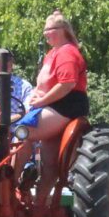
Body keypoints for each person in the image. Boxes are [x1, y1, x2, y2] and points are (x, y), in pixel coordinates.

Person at [18, 12, 88, 150]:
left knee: (22, 130)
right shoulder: (51, 54)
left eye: (49, 30)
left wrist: (41, 102)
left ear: (63, 31)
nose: (45, 33)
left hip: (67, 105)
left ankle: (13, 171)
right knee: (48, 159)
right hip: (51, 105)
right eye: (45, 30)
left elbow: (67, 84)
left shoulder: (67, 52)